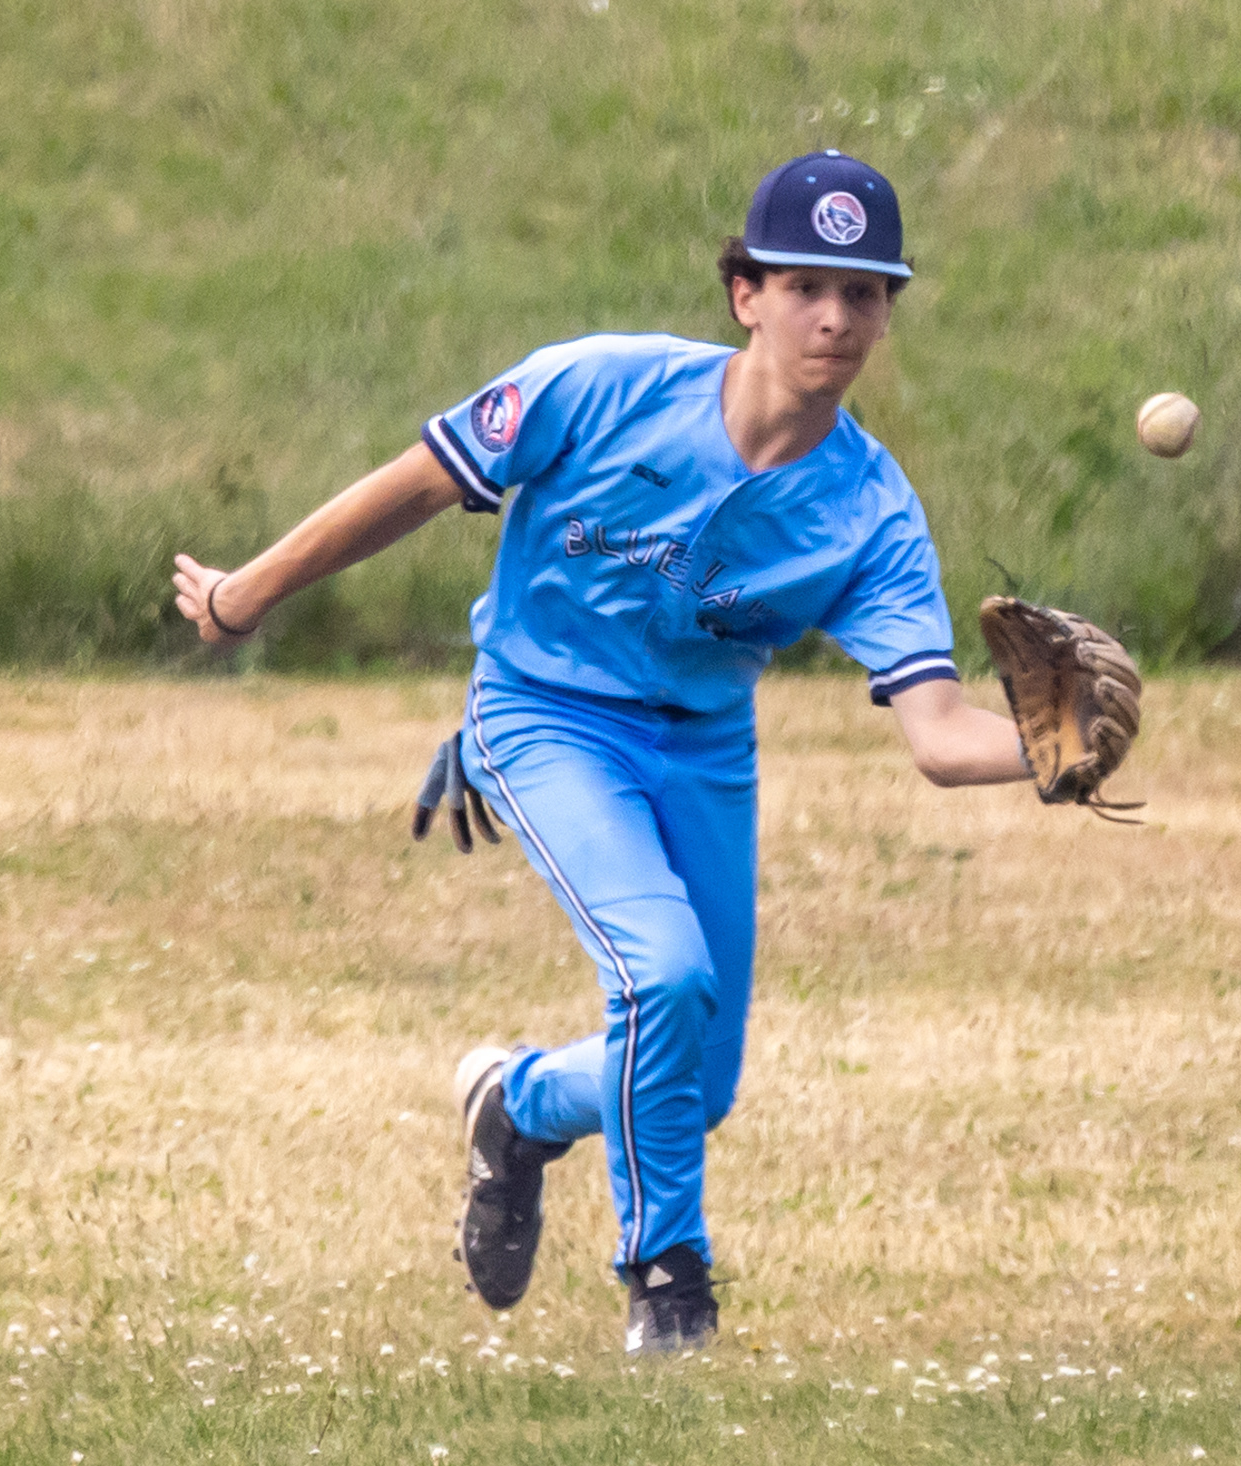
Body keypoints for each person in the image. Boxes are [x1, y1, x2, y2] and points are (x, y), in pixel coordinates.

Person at [173, 150, 1034, 1354]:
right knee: (663, 977)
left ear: (888, 312)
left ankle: (516, 1108)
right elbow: (417, 486)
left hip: (704, 749)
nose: (835, 317)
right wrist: (244, 595)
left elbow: (939, 733)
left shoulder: (868, 509)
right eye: (804, 286)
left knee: (695, 1085)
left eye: (863, 292)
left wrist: (1060, 749)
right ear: (745, 295)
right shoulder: (596, 387)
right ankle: (669, 1285)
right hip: (543, 714)